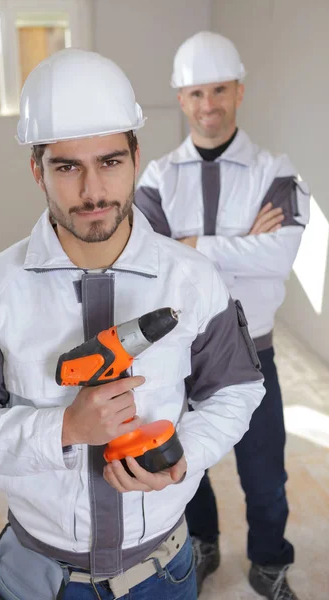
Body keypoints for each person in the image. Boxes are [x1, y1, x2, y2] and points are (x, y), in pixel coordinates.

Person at [0, 48, 265, 600]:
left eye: (110, 162)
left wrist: (185, 456)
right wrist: (63, 430)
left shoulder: (193, 280)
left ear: (136, 157)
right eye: (67, 167)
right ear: (37, 169)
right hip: (39, 576)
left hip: (163, 570)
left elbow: (237, 391)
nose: (91, 192)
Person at [135, 31, 310, 600]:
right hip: (184, 350)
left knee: (265, 472)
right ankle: (203, 543)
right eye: (195, 94)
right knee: (187, 460)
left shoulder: (275, 170)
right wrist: (237, 244)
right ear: (180, 100)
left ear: (239, 91)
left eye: (218, 90)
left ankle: (269, 561)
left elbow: (282, 253)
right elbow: (148, 261)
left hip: (252, 350)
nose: (207, 105)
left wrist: (190, 244)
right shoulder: (158, 177)